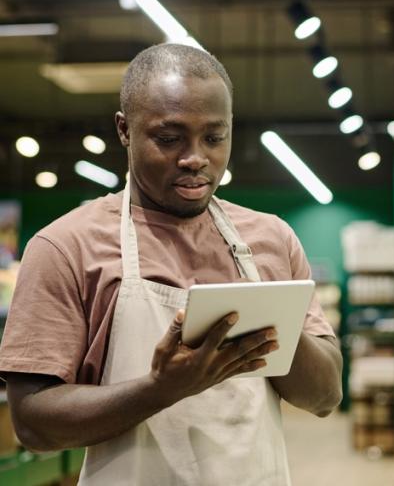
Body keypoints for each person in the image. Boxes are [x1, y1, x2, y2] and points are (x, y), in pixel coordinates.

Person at [0, 43, 343, 485]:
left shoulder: (270, 241)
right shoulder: (67, 247)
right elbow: (33, 423)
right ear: (125, 130)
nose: (195, 158)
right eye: (169, 138)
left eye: (214, 138)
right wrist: (160, 390)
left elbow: (325, 397)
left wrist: (273, 320)